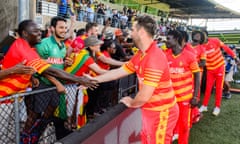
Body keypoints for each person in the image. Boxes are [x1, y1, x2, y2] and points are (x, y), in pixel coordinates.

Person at [85, 15, 179, 144]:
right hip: (151, 109)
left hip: (162, 112)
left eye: (133, 29)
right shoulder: (140, 55)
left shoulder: (154, 57)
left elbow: (144, 96)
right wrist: (93, 80)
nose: (130, 33)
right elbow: (119, 72)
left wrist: (132, 102)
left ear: (141, 32)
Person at [0, 19, 96, 143]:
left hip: (13, 99)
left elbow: (44, 69)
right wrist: (79, 79)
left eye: (40, 30)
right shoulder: (22, 48)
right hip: (3, 101)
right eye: (35, 31)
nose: (40, 33)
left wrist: (31, 78)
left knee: (9, 136)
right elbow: (50, 71)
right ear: (25, 34)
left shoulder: (29, 49)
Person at [165, 30, 200, 144]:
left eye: (168, 38)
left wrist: (195, 96)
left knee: (184, 126)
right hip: (169, 98)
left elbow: (197, 75)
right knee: (168, 126)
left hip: (185, 98)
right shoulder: (165, 55)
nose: (166, 41)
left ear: (176, 39)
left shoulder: (189, 56)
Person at [199, 30, 237, 116]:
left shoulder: (215, 40)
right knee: (208, 88)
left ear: (206, 35)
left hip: (220, 68)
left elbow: (226, 48)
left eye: (203, 35)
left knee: (219, 88)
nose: (202, 36)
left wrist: (234, 57)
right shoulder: (200, 46)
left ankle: (217, 107)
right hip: (210, 70)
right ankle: (204, 105)